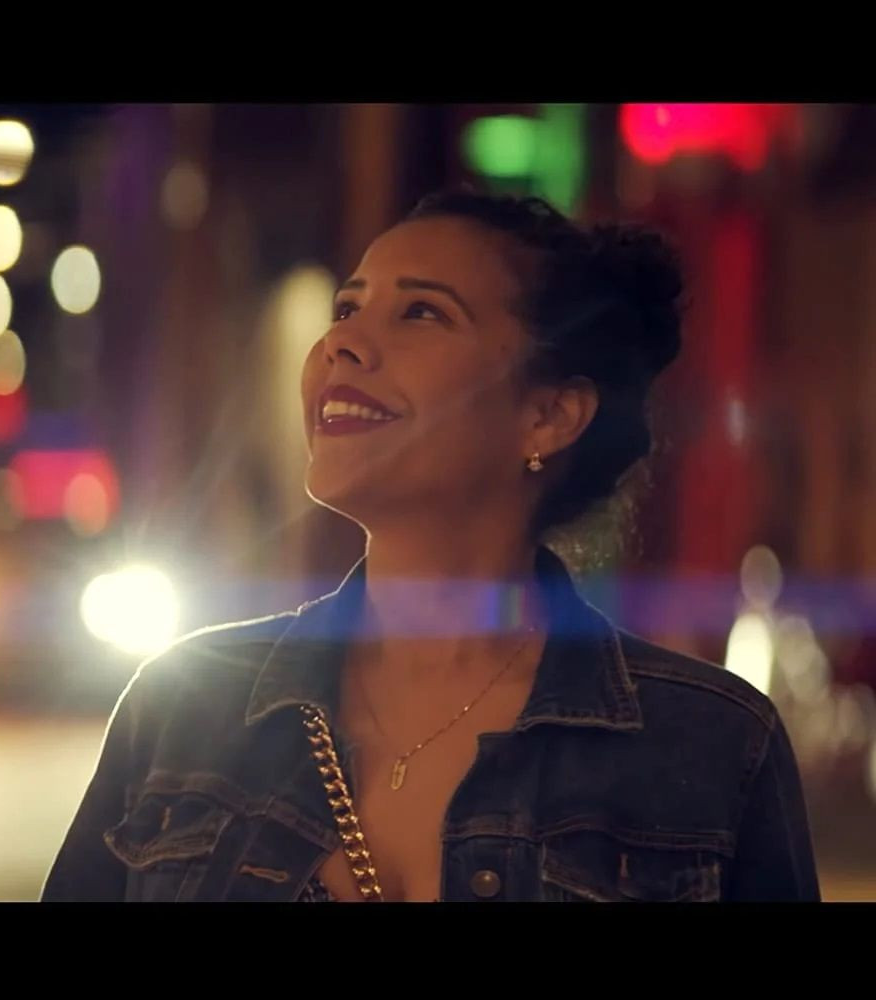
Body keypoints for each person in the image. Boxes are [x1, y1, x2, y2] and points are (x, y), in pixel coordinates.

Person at [41, 190, 820, 902]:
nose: (343, 344)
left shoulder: (709, 743)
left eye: (421, 313)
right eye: (348, 307)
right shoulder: (184, 707)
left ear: (548, 416)